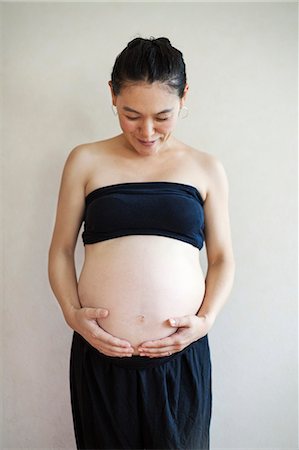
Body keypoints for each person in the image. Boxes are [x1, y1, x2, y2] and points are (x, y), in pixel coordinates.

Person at [48, 36, 235, 450]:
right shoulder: (85, 160)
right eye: (131, 115)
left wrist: (205, 321)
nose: (147, 132)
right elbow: (61, 250)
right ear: (112, 95)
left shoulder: (206, 168)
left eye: (162, 116)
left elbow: (222, 259)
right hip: (101, 356)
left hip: (180, 358)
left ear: (184, 97)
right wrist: (71, 314)